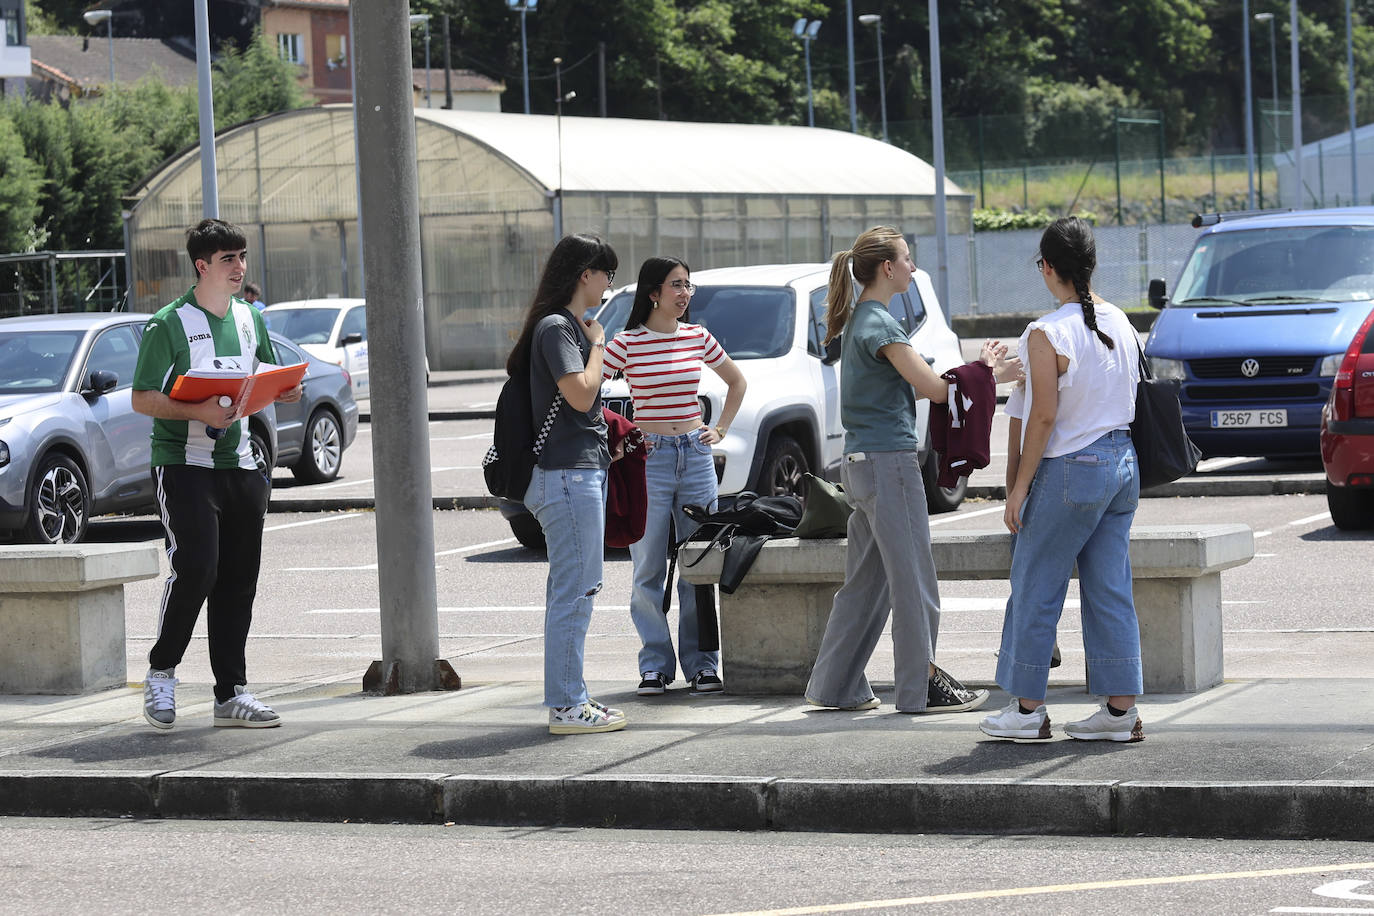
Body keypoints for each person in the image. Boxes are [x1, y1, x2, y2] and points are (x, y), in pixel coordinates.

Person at [804, 225, 999, 714]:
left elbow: (904, 389)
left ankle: (834, 687)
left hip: (861, 466)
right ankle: (920, 687)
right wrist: (983, 370)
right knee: (913, 580)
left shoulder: (859, 325)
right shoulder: (883, 327)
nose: (913, 267)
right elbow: (934, 388)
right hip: (890, 466)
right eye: (908, 260)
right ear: (887, 268)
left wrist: (991, 374)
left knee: (866, 585)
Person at [131, 218, 303, 731]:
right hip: (184, 467)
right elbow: (142, 399)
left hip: (243, 466)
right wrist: (199, 412)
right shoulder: (168, 323)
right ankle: (161, 673)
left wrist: (284, 390)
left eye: (243, 257)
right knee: (197, 569)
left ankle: (231, 693)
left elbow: (265, 375)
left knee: (238, 580)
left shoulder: (251, 318)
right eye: (229, 259)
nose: (240, 267)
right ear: (201, 265)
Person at [979, 216, 1145, 743]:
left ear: (1048, 267)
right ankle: (1120, 713)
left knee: (1036, 584)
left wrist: (1019, 486)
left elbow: (1042, 417)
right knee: (1110, 586)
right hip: (1123, 464)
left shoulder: (1046, 332)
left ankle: (1027, 710)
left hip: (1071, 469)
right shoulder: (1121, 321)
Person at [602, 257, 747, 697]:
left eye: (689, 286)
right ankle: (654, 665)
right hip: (650, 458)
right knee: (647, 565)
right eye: (676, 286)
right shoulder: (626, 343)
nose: (685, 295)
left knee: (698, 564)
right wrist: (621, 434)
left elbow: (737, 383)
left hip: (696, 456)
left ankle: (703, 665)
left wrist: (719, 429)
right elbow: (589, 392)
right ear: (653, 293)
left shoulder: (698, 336)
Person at [508, 233, 626, 735]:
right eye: (607, 274)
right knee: (575, 593)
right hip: (565, 476)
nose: (609, 284)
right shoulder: (560, 327)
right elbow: (580, 395)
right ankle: (566, 705)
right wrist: (598, 342)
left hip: (575, 471)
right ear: (586, 274)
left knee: (573, 589)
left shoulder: (562, 325)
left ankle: (571, 698)